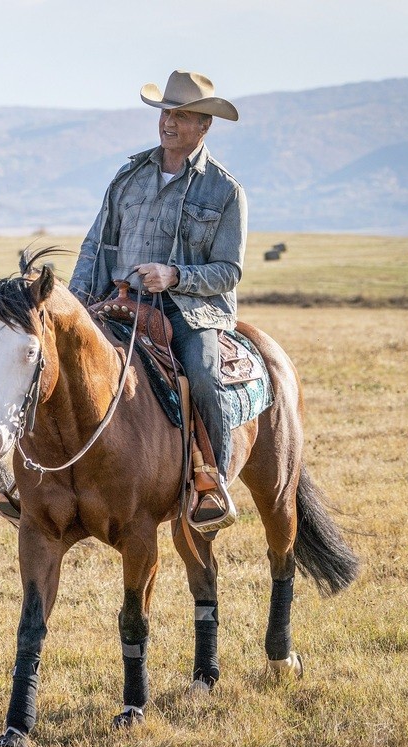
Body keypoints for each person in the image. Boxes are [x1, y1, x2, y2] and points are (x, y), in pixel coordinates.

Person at [68, 71, 247, 536]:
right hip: (118, 302)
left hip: (189, 312)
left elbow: (229, 270)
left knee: (205, 375)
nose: (169, 122)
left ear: (205, 126)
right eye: (166, 112)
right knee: (52, 365)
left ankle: (211, 481)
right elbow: (96, 246)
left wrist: (175, 276)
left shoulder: (225, 191)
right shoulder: (127, 178)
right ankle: (36, 481)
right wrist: (75, 304)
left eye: (182, 115)